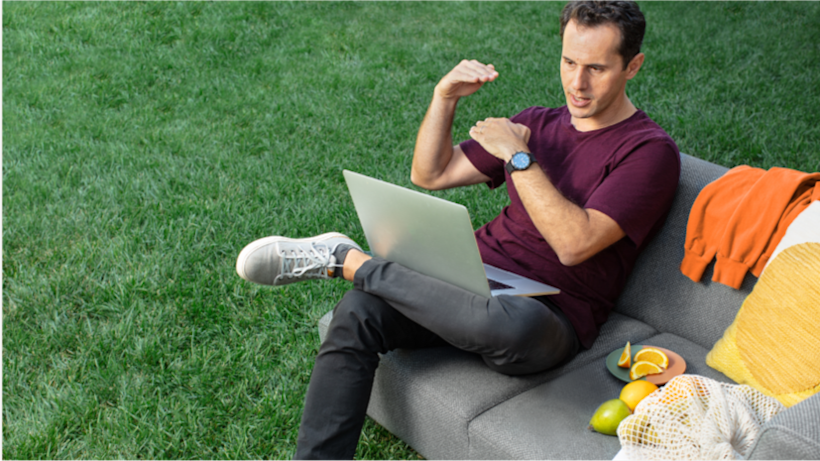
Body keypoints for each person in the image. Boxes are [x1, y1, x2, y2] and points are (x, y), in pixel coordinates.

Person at [235, 0, 680, 458]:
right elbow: (431, 173)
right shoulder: (537, 123)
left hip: (545, 315)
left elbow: (574, 244)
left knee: (511, 326)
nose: (577, 83)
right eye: (569, 62)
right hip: (470, 279)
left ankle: (348, 261)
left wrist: (517, 156)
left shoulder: (649, 152)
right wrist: (443, 97)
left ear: (633, 66)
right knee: (358, 310)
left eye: (596, 69)